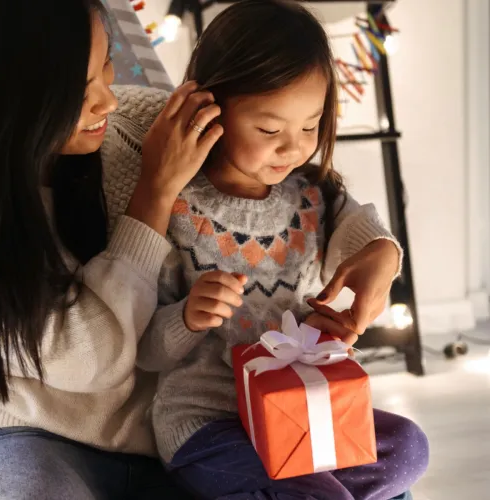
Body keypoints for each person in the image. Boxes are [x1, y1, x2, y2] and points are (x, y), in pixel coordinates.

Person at [137, 1, 429, 499]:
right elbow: (145, 352)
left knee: (408, 447)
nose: (293, 147)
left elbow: (365, 232)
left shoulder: (315, 196)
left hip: (300, 412)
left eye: (311, 126)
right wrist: (187, 317)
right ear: (212, 107)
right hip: (211, 427)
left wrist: (384, 254)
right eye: (270, 130)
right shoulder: (177, 206)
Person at [0, 0, 224, 498]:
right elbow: (87, 358)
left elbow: (274, 149)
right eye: (78, 90)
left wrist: (375, 246)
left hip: (168, 431)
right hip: (29, 437)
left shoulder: (131, 124)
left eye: (106, 65)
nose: (108, 101)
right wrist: (154, 195)